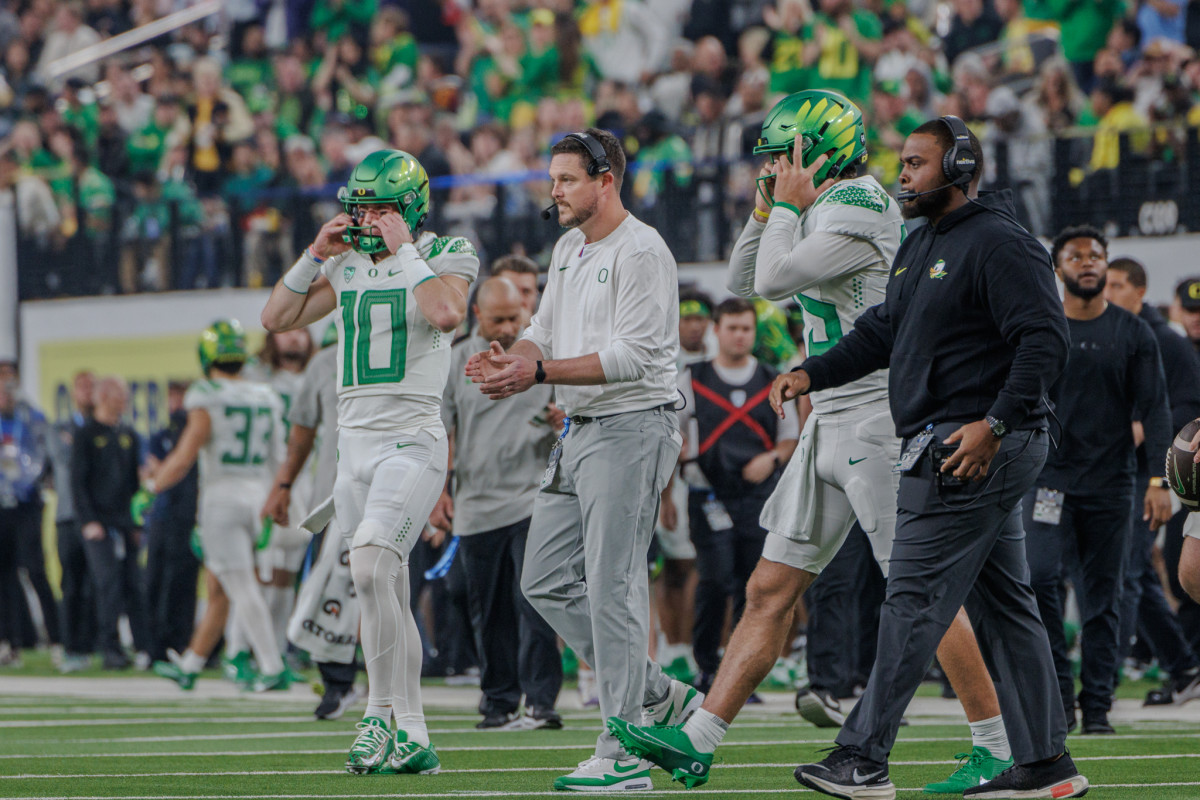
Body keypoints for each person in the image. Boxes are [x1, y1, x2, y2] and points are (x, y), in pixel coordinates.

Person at [609, 94, 1016, 795]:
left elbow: (769, 280)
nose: (771, 165)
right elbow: (743, 284)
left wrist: (788, 209)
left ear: (820, 150)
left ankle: (997, 744)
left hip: (878, 416)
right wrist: (769, 209)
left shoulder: (859, 202)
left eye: (782, 153)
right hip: (831, 415)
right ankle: (700, 739)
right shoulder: (816, 204)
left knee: (917, 594)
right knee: (770, 586)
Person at [774, 117, 1086, 799]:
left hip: (970, 447)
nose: (902, 175)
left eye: (916, 163)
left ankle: (862, 757)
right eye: (903, 162)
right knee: (1006, 605)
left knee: (912, 598)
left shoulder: (1002, 243)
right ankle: (1045, 765)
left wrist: (994, 425)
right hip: (963, 442)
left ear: (961, 165)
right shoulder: (921, 245)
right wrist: (812, 372)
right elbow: (884, 330)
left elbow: (1045, 341)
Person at [465, 128, 697, 792]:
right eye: (553, 179)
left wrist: (536, 378)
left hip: (631, 426)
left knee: (614, 586)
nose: (555, 192)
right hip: (581, 429)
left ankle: (623, 752)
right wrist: (517, 358)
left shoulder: (643, 251)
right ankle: (655, 693)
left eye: (566, 179)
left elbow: (632, 359)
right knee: (542, 578)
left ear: (606, 180)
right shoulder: (568, 248)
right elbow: (543, 328)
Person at [260, 148, 478, 775]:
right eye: (360, 208)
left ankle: (381, 715)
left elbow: (445, 312)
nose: (367, 220)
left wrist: (404, 247)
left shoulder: (446, 252)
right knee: (379, 583)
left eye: (379, 209)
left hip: (410, 437)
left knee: (373, 564)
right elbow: (275, 319)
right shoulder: (348, 262)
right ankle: (410, 731)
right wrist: (315, 254)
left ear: (410, 209)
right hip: (352, 448)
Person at [1024, 227, 1174, 734]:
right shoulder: (1042, 329)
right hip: (1048, 483)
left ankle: (1099, 710)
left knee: (1103, 598)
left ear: (1106, 266)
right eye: (1076, 256)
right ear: (1058, 267)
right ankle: (1060, 701)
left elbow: (1156, 411)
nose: (1087, 263)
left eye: (1096, 256)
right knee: (1040, 579)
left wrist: (1159, 480)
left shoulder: (1134, 333)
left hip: (1113, 486)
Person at [438, 275, 565, 731]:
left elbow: (570, 416)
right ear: (477, 316)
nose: (510, 326)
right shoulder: (454, 362)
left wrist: (560, 420)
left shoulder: (544, 358)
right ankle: (497, 701)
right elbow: (442, 431)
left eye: (516, 317)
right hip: (475, 503)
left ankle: (542, 702)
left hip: (535, 498)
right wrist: (439, 494)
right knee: (487, 611)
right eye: (500, 319)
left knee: (535, 603)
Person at [148, 320, 290, 693]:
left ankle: (272, 665)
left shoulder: (205, 394)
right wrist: (278, 499)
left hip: (222, 498)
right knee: (221, 586)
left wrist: (151, 487)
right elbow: (280, 457)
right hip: (258, 493)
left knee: (240, 585)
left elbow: (184, 455)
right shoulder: (265, 394)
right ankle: (192, 663)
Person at [676, 297, 798, 691]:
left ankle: (741, 671)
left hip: (760, 496)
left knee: (755, 584)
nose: (740, 335)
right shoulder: (691, 378)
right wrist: (664, 495)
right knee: (713, 579)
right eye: (732, 328)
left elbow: (790, 439)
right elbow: (672, 434)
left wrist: (771, 460)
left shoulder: (771, 378)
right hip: (707, 492)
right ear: (717, 330)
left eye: (747, 328)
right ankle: (707, 666)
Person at [1105, 258, 1200, 706]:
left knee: (1131, 569)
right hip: (1104, 471)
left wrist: (1141, 431)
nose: (1109, 291)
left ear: (1140, 291)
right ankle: (1183, 667)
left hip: (1151, 476)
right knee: (1133, 572)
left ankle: (1106, 680)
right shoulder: (1105, 333)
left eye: (1118, 285)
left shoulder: (1167, 342)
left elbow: (1186, 410)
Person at [262, 323, 360, 719]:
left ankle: (391, 686)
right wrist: (283, 484)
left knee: (389, 592)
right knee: (326, 591)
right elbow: (301, 432)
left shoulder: (406, 353)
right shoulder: (323, 363)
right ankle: (338, 683)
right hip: (333, 497)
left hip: (392, 492)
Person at [654, 287, 715, 686]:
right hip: (674, 480)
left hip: (711, 480)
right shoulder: (665, 365)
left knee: (704, 569)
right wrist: (664, 493)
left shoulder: (716, 365)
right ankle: (672, 648)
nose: (693, 325)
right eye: (686, 317)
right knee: (671, 567)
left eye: (699, 318)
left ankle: (696, 648)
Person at [70, 376, 146, 670]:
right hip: (98, 523)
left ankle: (144, 647)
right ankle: (109, 647)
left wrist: (136, 523)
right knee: (106, 584)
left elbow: (133, 484)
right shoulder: (86, 434)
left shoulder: (128, 434)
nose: (123, 399)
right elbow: (78, 482)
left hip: (125, 521)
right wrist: (88, 520)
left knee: (134, 585)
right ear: (102, 397)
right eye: (118, 394)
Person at [142, 380, 201, 665]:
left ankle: (183, 642)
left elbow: (165, 469)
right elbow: (153, 468)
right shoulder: (162, 435)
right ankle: (155, 646)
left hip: (190, 518)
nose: (176, 403)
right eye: (173, 396)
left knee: (183, 584)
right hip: (163, 518)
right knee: (156, 581)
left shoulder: (195, 432)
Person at [44, 370, 95, 672]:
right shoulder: (59, 427)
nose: (87, 393)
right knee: (71, 583)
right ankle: (70, 644)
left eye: (92, 387)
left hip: (96, 516)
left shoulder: (101, 428)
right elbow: (66, 460)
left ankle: (91, 645)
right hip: (68, 515)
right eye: (82, 387)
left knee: (95, 584)